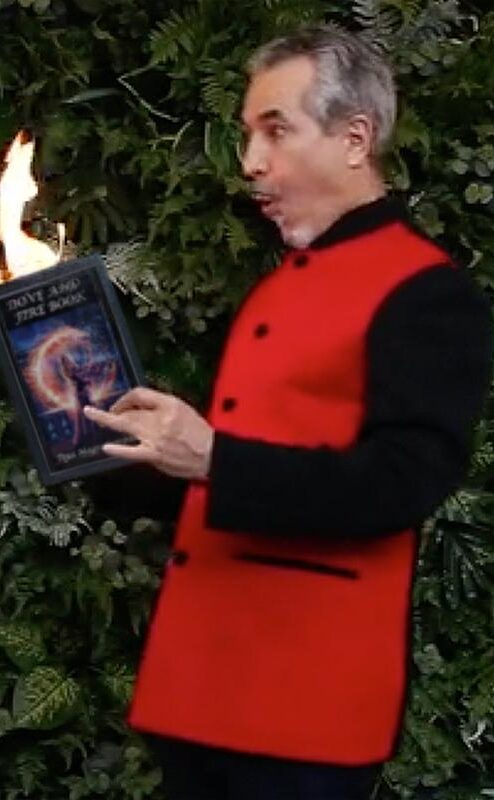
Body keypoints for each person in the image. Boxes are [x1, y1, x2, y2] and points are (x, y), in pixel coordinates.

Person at [84, 25, 493, 800]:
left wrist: (212, 458)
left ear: (355, 139)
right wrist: (100, 445)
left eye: (276, 130)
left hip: (303, 710)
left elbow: (402, 483)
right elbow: (232, 480)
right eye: (248, 133)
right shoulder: (278, 288)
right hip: (198, 690)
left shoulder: (427, 292)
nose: (250, 161)